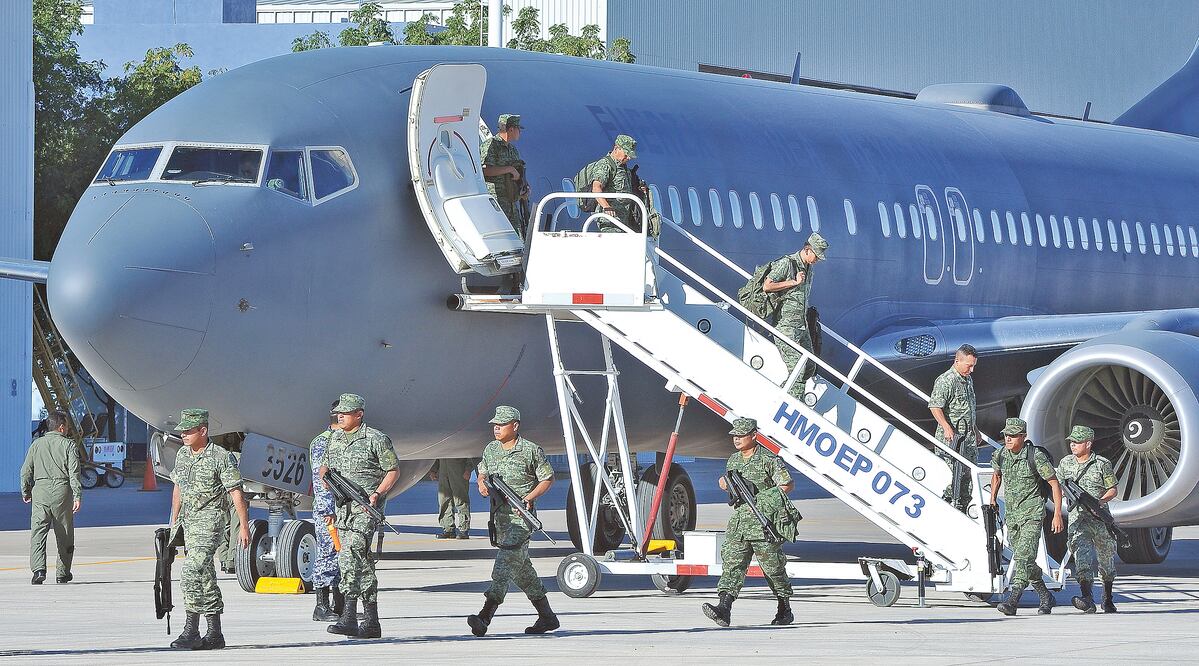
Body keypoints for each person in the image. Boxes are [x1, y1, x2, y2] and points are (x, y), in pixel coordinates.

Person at [466, 406, 558, 637]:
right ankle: (547, 617)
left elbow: (547, 478)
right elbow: (483, 471)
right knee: (522, 571)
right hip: (500, 519)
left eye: (502, 424)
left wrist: (529, 498)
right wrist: (481, 483)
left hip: (520, 520)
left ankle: (484, 617)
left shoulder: (530, 450)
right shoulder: (491, 449)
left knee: (504, 566)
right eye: (495, 424)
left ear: (515, 426)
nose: (496, 428)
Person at [701, 418, 800, 628]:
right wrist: (725, 484)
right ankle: (724, 608)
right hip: (740, 523)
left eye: (741, 435)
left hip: (763, 524)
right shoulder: (734, 460)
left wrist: (761, 499)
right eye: (734, 435)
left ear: (754, 435)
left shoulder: (767, 459)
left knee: (773, 568)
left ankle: (784, 608)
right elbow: (728, 482)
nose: (736, 439)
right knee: (732, 565)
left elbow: (786, 484)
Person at [168, 408, 250, 650]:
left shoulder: (221, 456)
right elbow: (178, 488)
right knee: (205, 577)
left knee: (191, 572)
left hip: (210, 521)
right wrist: (174, 521)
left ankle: (191, 630)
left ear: (203, 431)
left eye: (189, 430)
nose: (183, 434)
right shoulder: (183, 455)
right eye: (182, 430)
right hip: (188, 523)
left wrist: (243, 527)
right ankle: (215, 634)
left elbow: (236, 493)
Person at [320, 393, 398, 639]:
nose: (340, 416)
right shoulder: (334, 439)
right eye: (338, 413)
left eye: (345, 412)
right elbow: (325, 467)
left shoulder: (375, 438)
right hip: (343, 510)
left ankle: (349, 616)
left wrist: (377, 494)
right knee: (363, 564)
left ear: (359, 414)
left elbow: (393, 470)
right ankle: (372, 621)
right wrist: (327, 480)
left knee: (349, 555)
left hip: (365, 509)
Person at [989, 417, 1063, 616]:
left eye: (1013, 436)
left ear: (1023, 437)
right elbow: (996, 475)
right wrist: (992, 499)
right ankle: (1046, 596)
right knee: (1026, 560)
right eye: (1006, 435)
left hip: (1032, 513)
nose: (1008, 439)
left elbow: (1054, 484)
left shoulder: (1035, 456)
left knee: (1022, 556)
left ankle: (1013, 600)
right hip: (1012, 515)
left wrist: (1057, 513)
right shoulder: (1001, 454)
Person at [1056, 425, 1119, 613]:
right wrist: (1058, 511)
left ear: (1088, 444)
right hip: (1077, 518)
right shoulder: (1066, 463)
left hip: (1099, 518)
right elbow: (1057, 487)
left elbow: (1113, 489)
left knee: (1106, 559)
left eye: (1077, 442)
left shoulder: (1101, 463)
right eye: (1072, 442)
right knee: (1081, 558)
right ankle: (1087, 598)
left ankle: (1107, 598)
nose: (1073, 445)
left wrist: (1100, 501)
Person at [761, 233, 828, 397]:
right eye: (816, 256)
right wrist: (793, 282)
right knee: (798, 369)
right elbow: (767, 286)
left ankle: (782, 393)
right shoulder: (787, 263)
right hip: (786, 327)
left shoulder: (808, 268)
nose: (817, 260)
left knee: (810, 366)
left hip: (801, 325)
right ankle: (795, 404)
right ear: (807, 249)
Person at [19, 410, 81, 586]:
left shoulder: (36, 445)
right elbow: (74, 472)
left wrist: (26, 491)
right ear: (61, 428)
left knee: (38, 532)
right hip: (62, 491)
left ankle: (39, 570)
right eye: (67, 426)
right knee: (65, 534)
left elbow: (25, 471)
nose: (69, 429)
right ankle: (62, 573)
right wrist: (77, 495)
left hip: (40, 492)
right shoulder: (69, 445)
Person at [927, 344, 982, 512]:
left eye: (973, 366)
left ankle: (963, 512)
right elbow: (935, 406)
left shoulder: (967, 380)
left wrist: (976, 429)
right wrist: (946, 427)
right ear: (957, 361)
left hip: (968, 441)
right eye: (969, 365)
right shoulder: (946, 380)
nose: (971, 370)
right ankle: (945, 509)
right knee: (952, 480)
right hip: (953, 441)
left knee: (968, 480)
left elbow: (968, 408)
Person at [310, 402, 343, 621]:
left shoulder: (342, 441)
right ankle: (321, 606)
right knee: (327, 555)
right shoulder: (324, 442)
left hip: (342, 508)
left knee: (341, 557)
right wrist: (326, 510)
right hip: (329, 510)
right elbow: (322, 481)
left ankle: (340, 607)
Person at [481, 114, 529, 238]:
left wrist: (524, 188)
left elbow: (519, 172)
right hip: (497, 203)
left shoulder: (512, 150)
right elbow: (485, 170)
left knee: (519, 239)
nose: (520, 132)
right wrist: (509, 169)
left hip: (512, 202)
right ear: (511, 129)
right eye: (518, 129)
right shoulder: (491, 145)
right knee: (500, 238)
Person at [583, 134, 642, 233]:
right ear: (616, 148)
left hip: (624, 220)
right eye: (626, 154)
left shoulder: (624, 168)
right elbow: (596, 187)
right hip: (610, 221)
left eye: (630, 156)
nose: (628, 158)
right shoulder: (605, 165)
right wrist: (606, 206)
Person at [432, 457, 479, 539]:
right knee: (444, 500)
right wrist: (434, 470)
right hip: (444, 471)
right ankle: (448, 529)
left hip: (459, 470)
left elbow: (469, 453)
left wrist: (468, 469)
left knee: (460, 499)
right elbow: (438, 454)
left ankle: (463, 529)